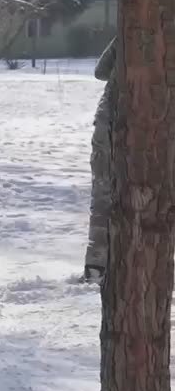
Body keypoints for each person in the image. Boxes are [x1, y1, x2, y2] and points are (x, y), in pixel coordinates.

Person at [83, 36, 117, 283]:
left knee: (103, 196)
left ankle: (96, 267)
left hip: (110, 121)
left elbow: (101, 71)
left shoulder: (131, 31)